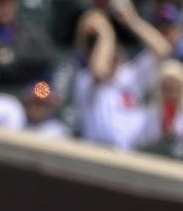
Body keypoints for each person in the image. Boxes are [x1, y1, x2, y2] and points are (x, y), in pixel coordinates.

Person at [73, 1, 172, 150]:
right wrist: (105, 33)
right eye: (97, 44)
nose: (112, 49)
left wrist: (133, 21)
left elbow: (163, 50)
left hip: (130, 157)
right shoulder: (85, 79)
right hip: (97, 156)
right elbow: (100, 70)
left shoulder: (130, 74)